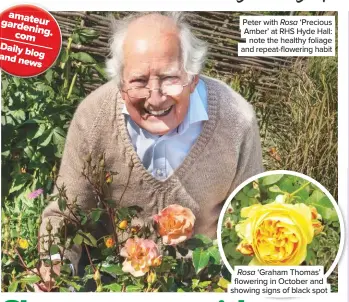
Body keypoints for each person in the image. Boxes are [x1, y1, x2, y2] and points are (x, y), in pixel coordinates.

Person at [36, 11, 263, 289]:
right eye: (139, 81)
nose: (155, 98)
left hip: (201, 283)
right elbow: (65, 218)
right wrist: (55, 266)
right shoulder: (93, 118)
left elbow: (251, 217)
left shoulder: (236, 119)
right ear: (120, 84)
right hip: (110, 282)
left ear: (192, 78)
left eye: (169, 78)